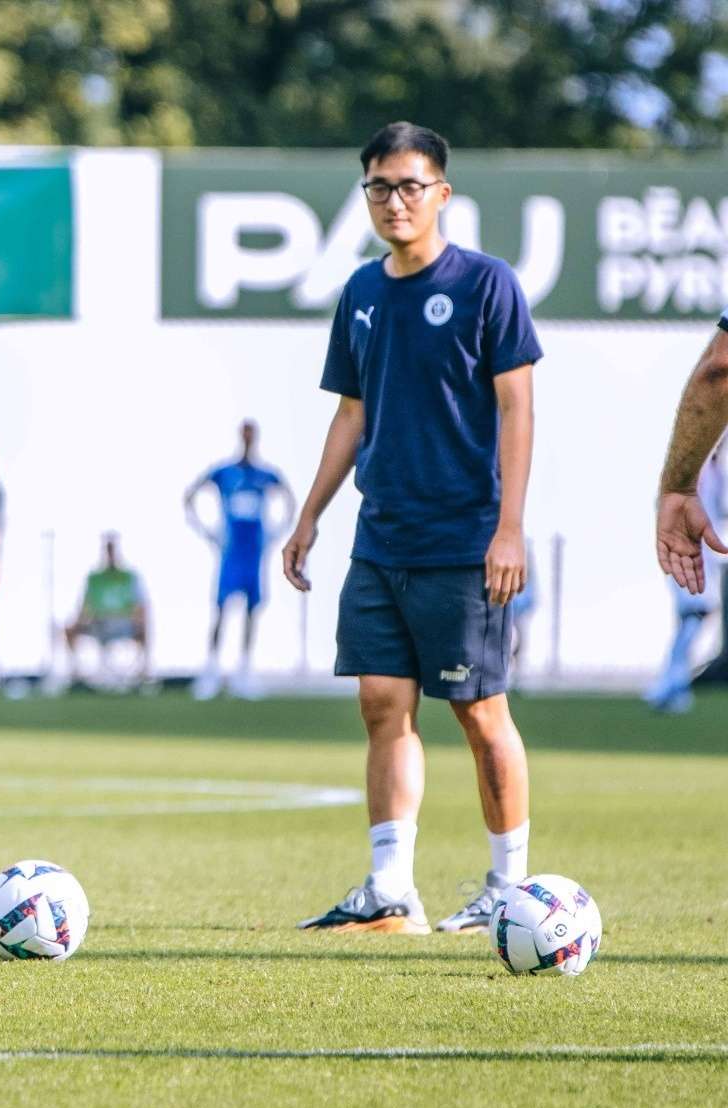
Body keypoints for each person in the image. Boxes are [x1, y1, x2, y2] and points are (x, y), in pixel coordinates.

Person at [284, 122, 540, 936]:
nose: (395, 201)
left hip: (463, 541)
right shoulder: (360, 291)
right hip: (380, 537)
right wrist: (309, 515)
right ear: (365, 195)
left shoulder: (487, 285)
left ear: (442, 196)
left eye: (410, 187)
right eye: (380, 188)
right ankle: (392, 888)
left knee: (479, 712)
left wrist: (510, 529)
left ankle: (511, 888)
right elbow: (351, 413)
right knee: (381, 703)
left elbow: (517, 407)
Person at [185, 420, 291, 701]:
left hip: (253, 553)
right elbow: (191, 494)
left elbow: (288, 498)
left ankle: (244, 670)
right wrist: (207, 532)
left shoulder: (264, 475)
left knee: (251, 611)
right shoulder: (225, 472)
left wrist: (276, 533)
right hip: (230, 552)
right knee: (221, 609)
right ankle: (211, 670)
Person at [649, 447, 728, 712]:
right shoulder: (698, 472)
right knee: (693, 618)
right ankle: (669, 685)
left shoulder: (710, 472)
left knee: (691, 621)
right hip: (693, 557)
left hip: (705, 558)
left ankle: (673, 684)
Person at [61, 533, 149, 690]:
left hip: (123, 625)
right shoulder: (94, 578)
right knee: (69, 628)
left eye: (113, 549)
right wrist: (81, 620)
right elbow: (83, 609)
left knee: (145, 627)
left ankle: (142, 676)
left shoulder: (128, 577)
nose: (110, 554)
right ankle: (76, 676)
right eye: (108, 550)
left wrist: (132, 619)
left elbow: (140, 608)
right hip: (98, 624)